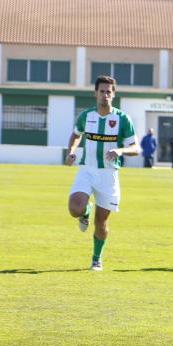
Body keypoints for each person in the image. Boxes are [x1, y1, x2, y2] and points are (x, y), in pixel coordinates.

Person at [65, 75, 139, 271]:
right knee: (75, 208)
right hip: (87, 170)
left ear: (113, 94)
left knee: (101, 222)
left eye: (109, 92)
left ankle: (96, 258)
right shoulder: (86, 116)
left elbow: (136, 147)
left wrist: (120, 151)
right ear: (95, 93)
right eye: (102, 91)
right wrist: (71, 151)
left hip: (109, 175)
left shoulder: (123, 119)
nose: (105, 95)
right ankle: (85, 211)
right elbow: (76, 134)